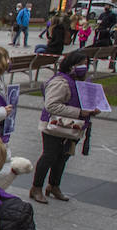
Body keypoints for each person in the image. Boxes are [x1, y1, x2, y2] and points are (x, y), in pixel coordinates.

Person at [29, 48, 99, 204]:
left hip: (73, 127)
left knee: (63, 157)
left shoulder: (81, 82)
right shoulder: (60, 82)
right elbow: (51, 105)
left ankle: (54, 186)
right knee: (49, 156)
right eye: (81, 64)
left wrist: (93, 109)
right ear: (70, 65)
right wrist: (80, 112)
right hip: (55, 126)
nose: (84, 67)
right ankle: (36, 188)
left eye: (86, 64)